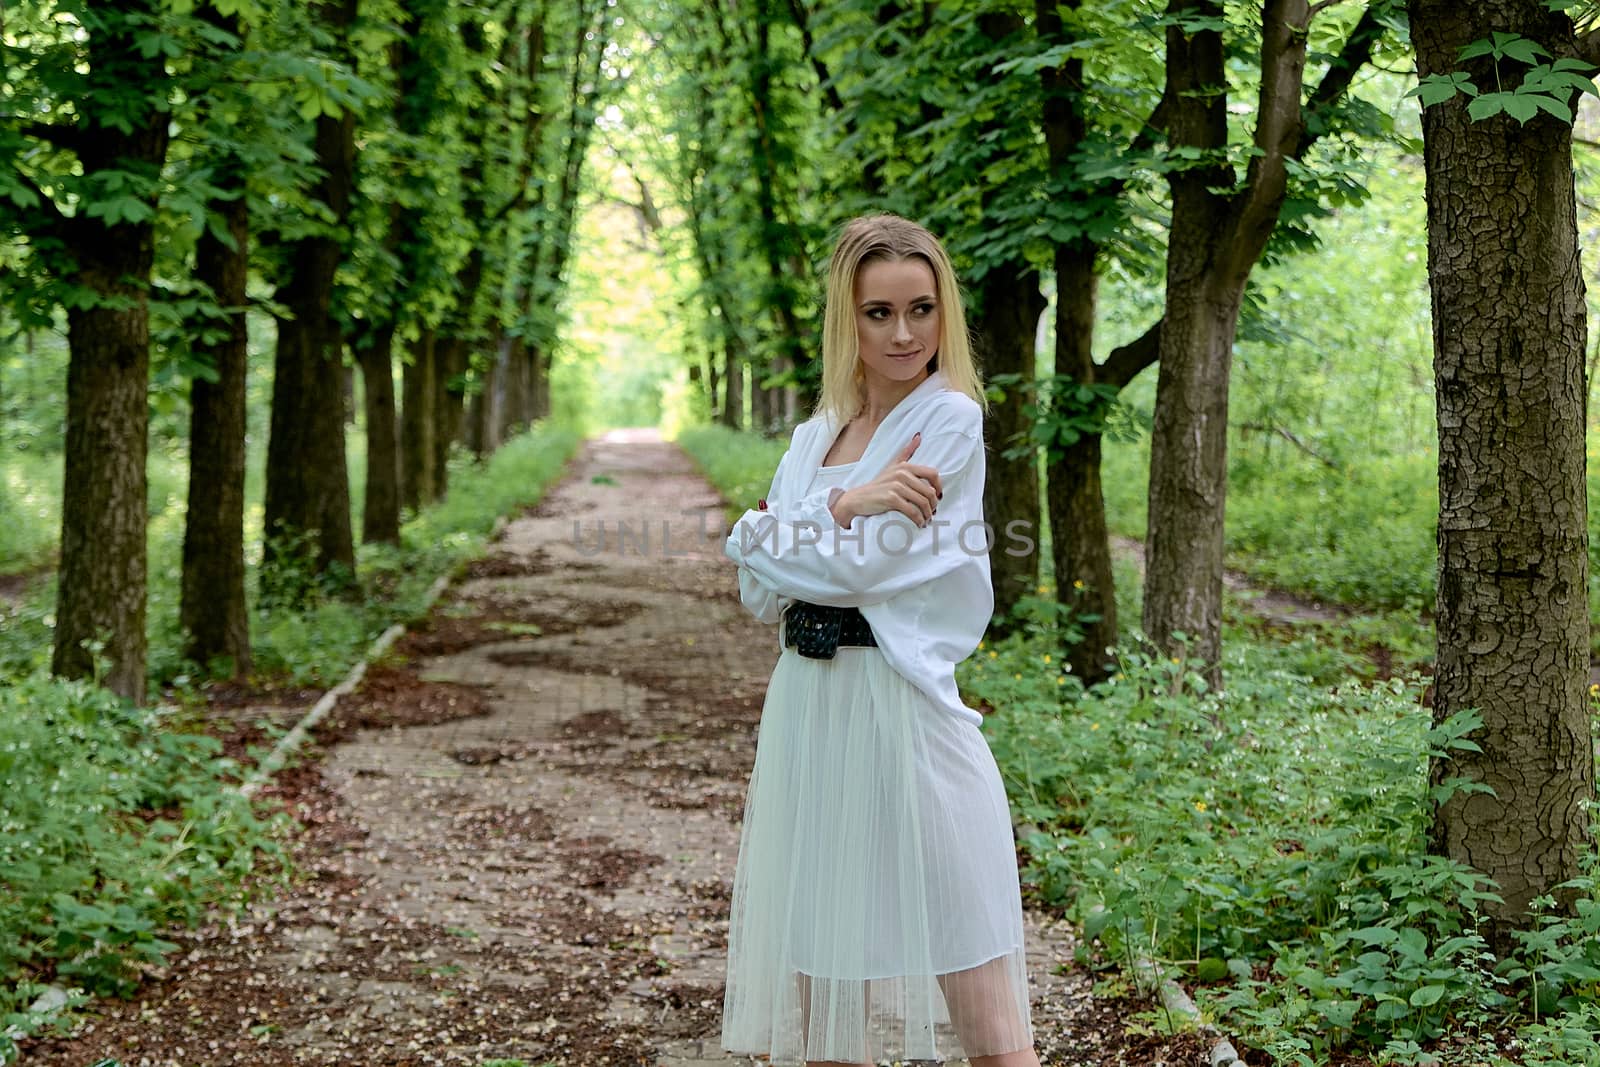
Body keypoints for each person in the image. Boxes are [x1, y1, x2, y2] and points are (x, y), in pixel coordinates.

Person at [721, 214, 1040, 1067]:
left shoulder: (948, 424)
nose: (903, 333)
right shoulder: (811, 439)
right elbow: (759, 590)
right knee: (830, 1026)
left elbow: (853, 574)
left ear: (946, 314)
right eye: (878, 312)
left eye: (921, 309)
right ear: (846, 317)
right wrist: (839, 506)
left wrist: (775, 532)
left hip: (905, 716)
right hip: (810, 720)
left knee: (993, 1031)